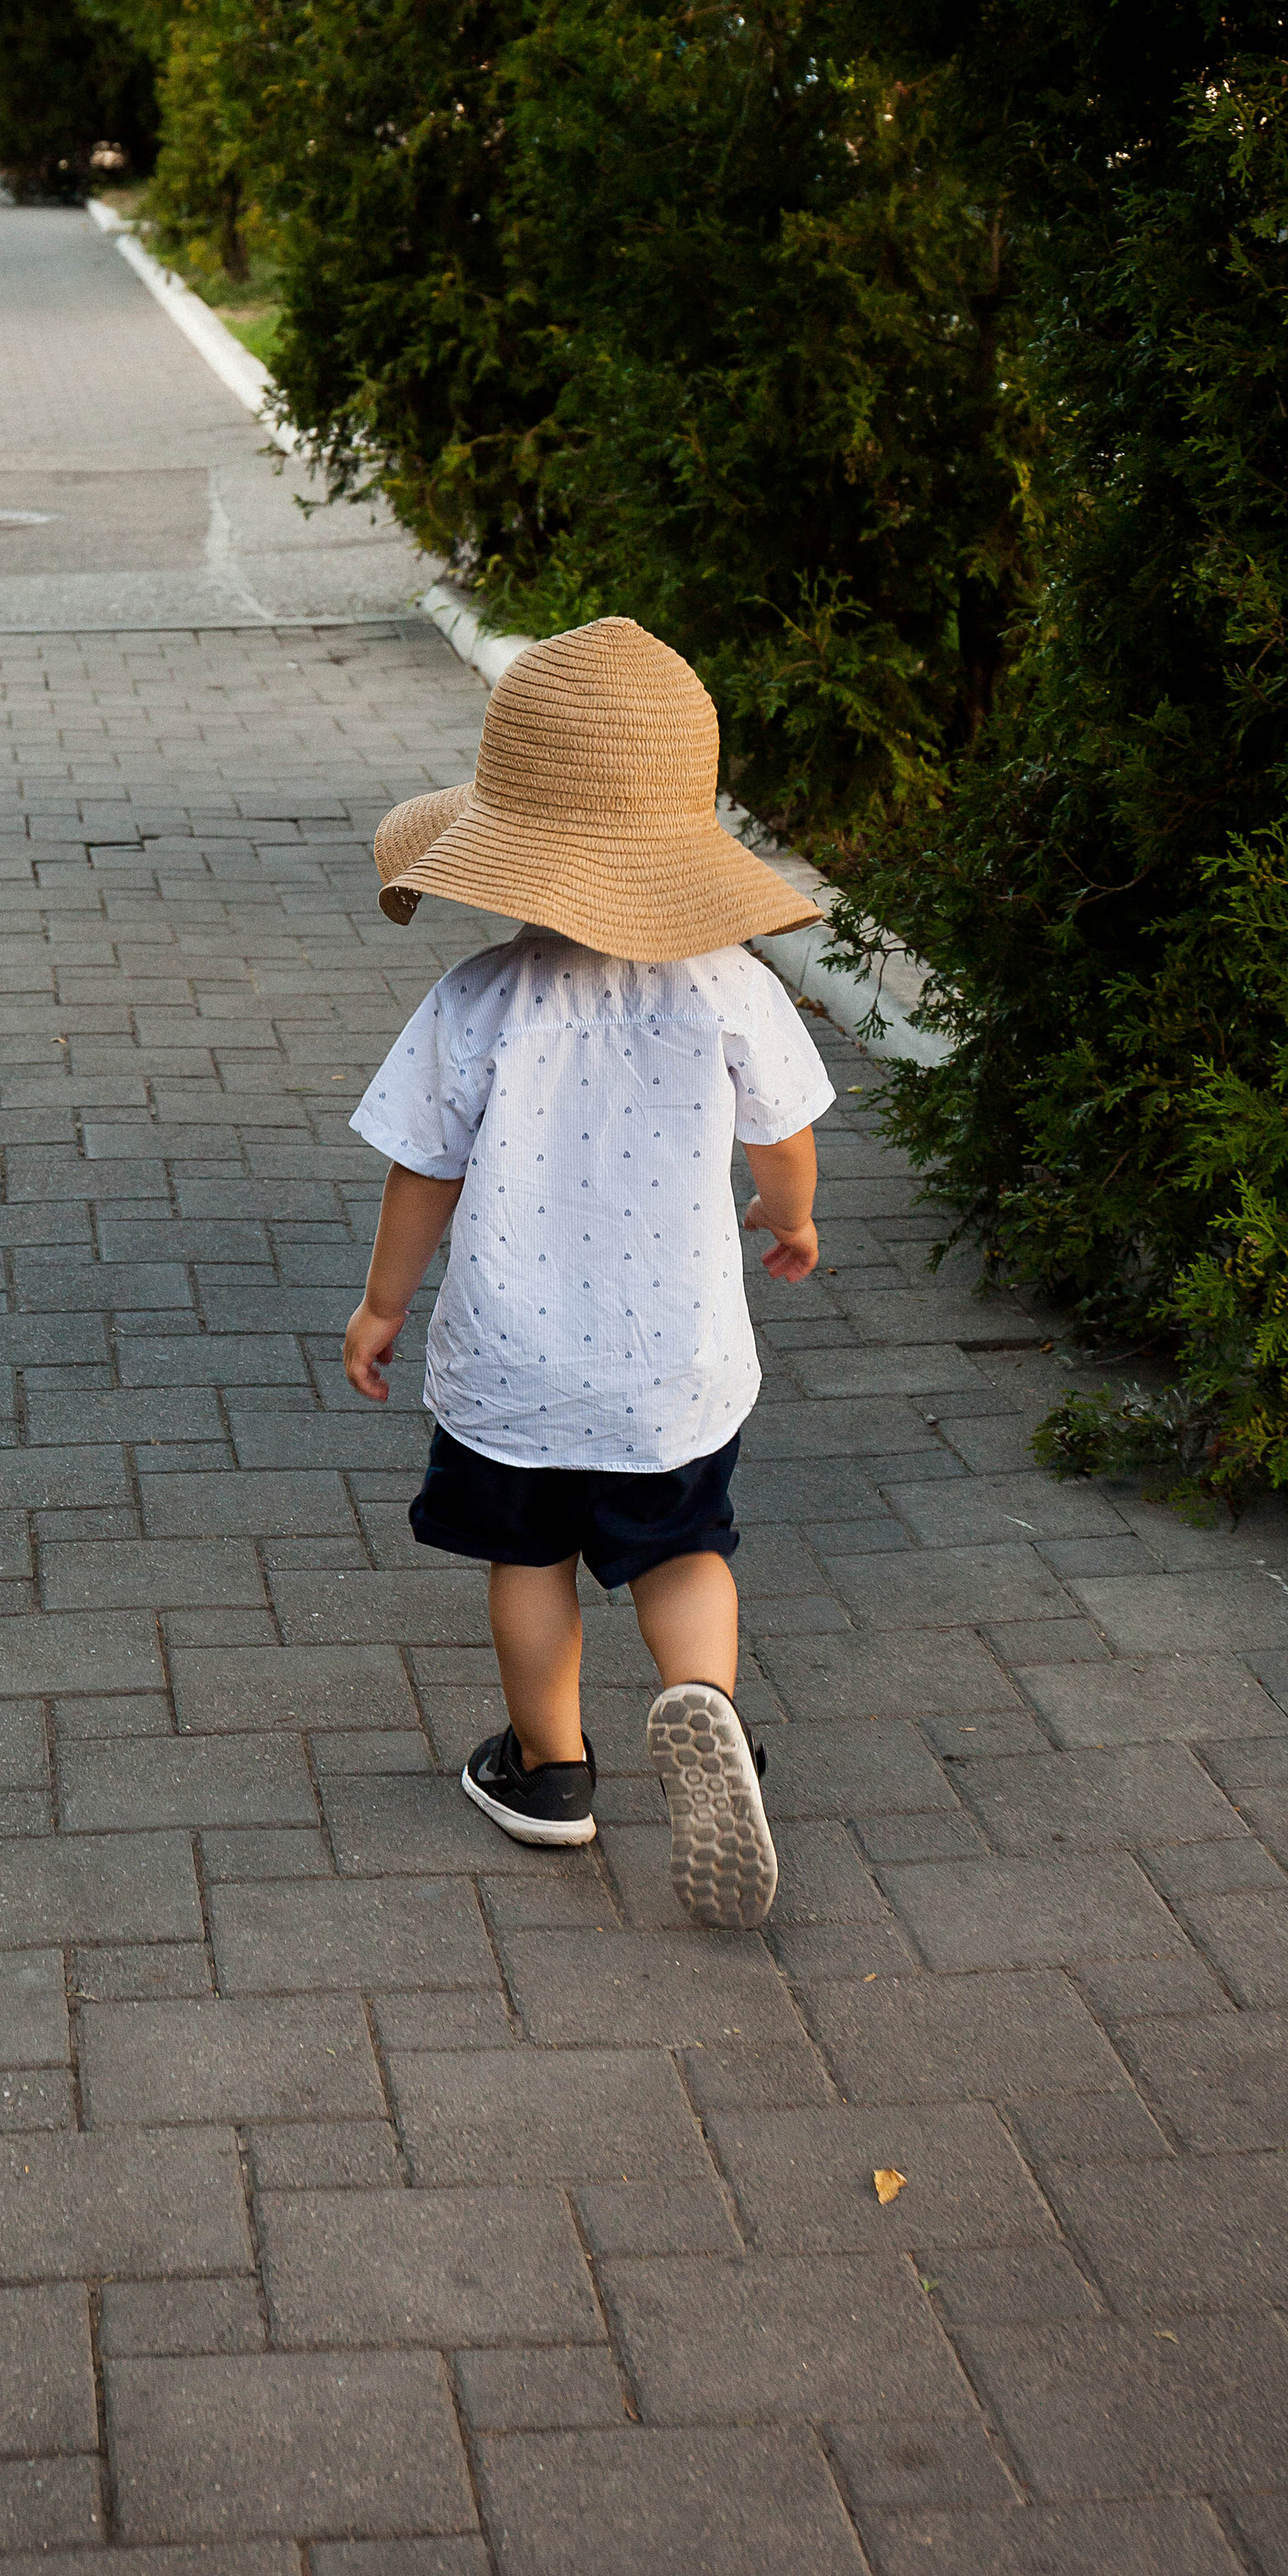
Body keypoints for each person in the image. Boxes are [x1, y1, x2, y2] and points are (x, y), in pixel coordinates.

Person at [342, 615, 836, 1926]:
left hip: (514, 1363)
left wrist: (384, 1303)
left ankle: (551, 1772)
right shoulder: (730, 989)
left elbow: (421, 1176)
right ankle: (705, 1707)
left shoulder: (476, 999)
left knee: (531, 1561)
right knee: (682, 1548)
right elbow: (783, 1141)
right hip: (674, 1364)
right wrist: (790, 1222)